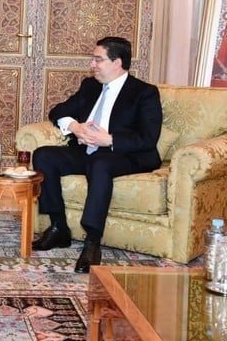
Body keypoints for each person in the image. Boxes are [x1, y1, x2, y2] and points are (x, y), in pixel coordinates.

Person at [31, 36, 163, 274]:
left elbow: (148, 137)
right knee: (44, 155)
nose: (92, 65)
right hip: (88, 151)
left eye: (98, 59)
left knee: (100, 163)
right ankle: (59, 227)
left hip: (125, 155)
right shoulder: (90, 86)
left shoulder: (144, 92)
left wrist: (109, 140)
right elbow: (58, 111)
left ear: (117, 62)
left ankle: (92, 242)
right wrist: (75, 127)